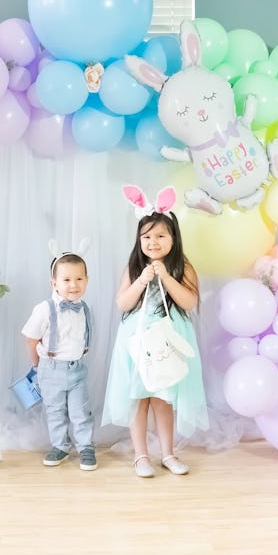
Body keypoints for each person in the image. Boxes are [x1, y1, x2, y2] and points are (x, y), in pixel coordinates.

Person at [102, 185, 209, 477]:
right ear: (139, 240)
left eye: (161, 235)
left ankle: (168, 453)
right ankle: (140, 455)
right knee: (139, 397)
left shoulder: (181, 266)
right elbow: (122, 302)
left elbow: (189, 301)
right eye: (147, 237)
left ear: (173, 237)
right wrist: (142, 281)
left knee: (163, 397)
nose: (153, 242)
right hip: (137, 339)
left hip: (169, 339)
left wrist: (166, 277)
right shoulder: (135, 266)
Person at [22, 252, 97, 471]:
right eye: (66, 280)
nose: (73, 285)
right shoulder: (45, 309)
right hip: (50, 369)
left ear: (87, 280)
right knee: (54, 411)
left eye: (79, 279)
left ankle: (86, 446)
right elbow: (30, 338)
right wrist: (37, 365)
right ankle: (60, 445)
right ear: (54, 283)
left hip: (77, 370)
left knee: (80, 411)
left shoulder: (84, 308)